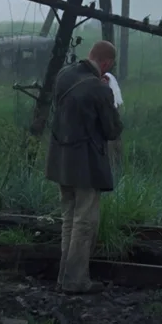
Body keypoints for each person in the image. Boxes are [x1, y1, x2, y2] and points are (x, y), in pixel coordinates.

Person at [45, 40, 124, 294]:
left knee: (68, 220)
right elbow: (112, 130)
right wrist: (109, 96)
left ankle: (64, 277)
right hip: (87, 164)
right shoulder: (99, 89)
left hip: (61, 160)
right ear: (106, 63)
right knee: (84, 222)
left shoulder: (64, 75)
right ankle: (76, 280)